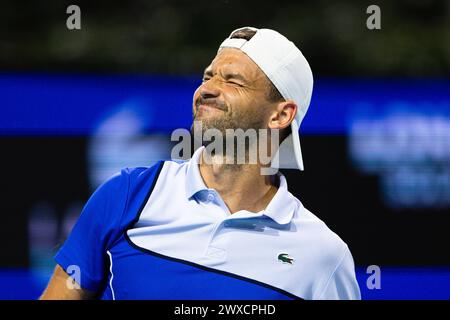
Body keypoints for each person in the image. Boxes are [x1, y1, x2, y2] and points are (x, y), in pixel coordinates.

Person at [41, 27, 361, 300]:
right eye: (208, 76)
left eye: (232, 81)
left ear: (280, 114)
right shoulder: (126, 195)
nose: (206, 89)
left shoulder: (323, 255)